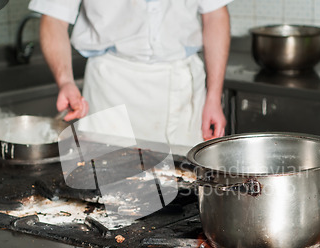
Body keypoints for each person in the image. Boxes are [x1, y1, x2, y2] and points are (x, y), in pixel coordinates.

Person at [28, 0, 232, 147]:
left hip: (184, 88)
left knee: (185, 191)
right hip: (112, 87)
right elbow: (54, 18)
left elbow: (215, 14)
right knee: (110, 193)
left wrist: (214, 97)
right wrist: (65, 81)